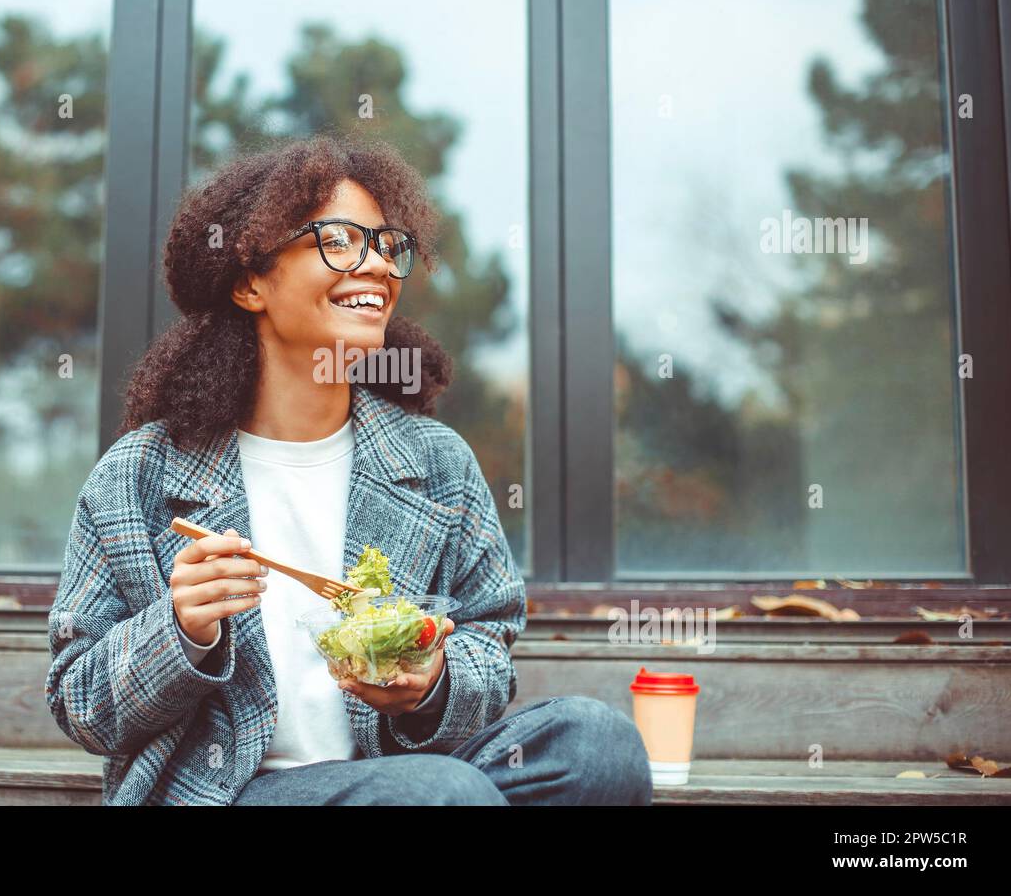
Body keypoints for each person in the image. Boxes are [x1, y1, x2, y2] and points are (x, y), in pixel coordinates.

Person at [45, 133, 653, 806]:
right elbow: (80, 702)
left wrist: (432, 683)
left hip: (404, 776)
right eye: (339, 240)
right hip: (232, 792)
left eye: (389, 246)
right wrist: (180, 628)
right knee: (441, 795)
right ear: (250, 282)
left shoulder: (434, 461)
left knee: (598, 746)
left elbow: (491, 642)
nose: (377, 267)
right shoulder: (141, 474)